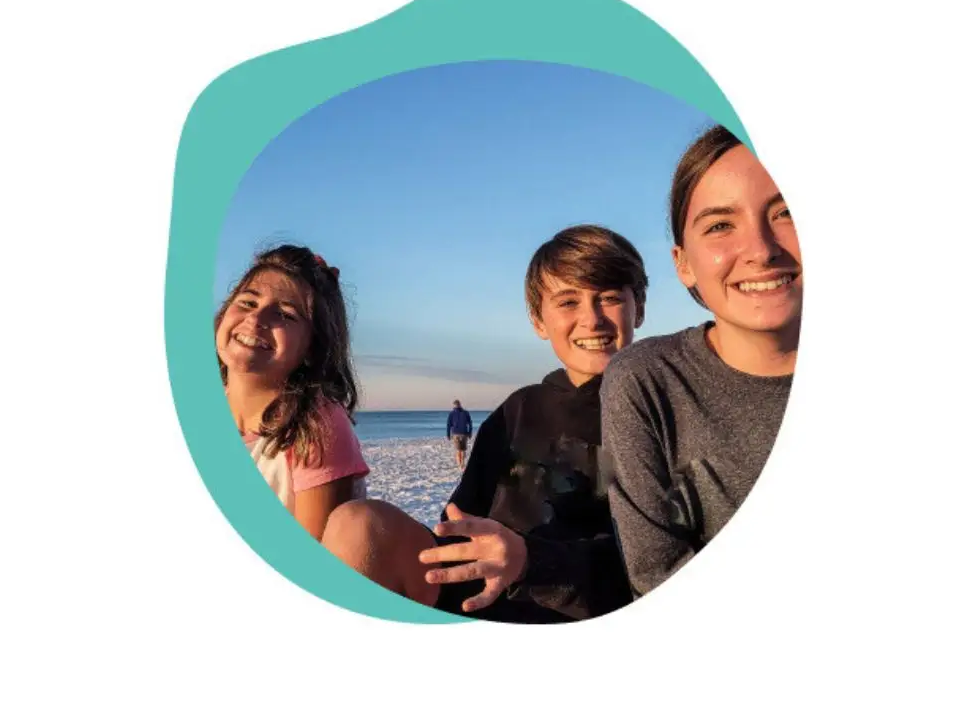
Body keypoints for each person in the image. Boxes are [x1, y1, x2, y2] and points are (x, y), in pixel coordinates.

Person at [321, 225, 647, 622]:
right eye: (568, 302)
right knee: (357, 523)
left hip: (582, 604)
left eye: (610, 298)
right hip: (482, 594)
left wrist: (532, 561)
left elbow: (658, 558)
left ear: (639, 308)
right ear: (539, 321)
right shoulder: (517, 410)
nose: (591, 319)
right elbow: (459, 521)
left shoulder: (656, 405)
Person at [601, 125, 801, 598]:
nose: (761, 250)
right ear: (683, 263)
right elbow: (654, 572)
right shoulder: (645, 381)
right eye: (719, 225)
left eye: (787, 212)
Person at [215, 244, 370, 541]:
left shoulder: (316, 426)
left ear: (313, 348)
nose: (256, 319)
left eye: (285, 315)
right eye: (248, 303)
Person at [445, 399, 473, 468]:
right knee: (463, 450)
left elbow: (449, 425)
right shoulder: (466, 412)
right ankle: (462, 463)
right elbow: (470, 423)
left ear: (454, 405)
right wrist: (470, 432)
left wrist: (448, 435)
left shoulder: (452, 413)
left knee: (458, 450)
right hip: (464, 433)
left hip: (456, 434)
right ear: (460, 404)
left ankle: (459, 464)